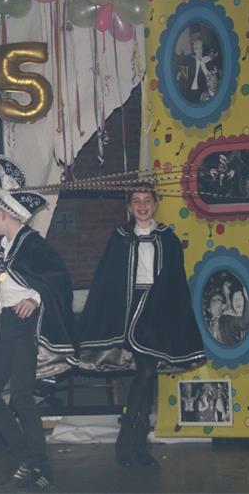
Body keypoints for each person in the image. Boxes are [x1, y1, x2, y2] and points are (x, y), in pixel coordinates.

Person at [0, 155, 76, 491]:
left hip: (27, 327)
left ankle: (38, 466)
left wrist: (35, 299)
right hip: (7, 325)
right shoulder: (6, 249)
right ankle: (28, 459)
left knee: (21, 398)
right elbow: (3, 291)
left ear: (4, 213)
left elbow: (57, 280)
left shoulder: (33, 244)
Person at [74, 182, 205, 467]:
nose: (142, 206)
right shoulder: (119, 237)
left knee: (147, 372)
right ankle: (131, 444)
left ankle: (131, 443)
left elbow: (175, 282)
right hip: (127, 311)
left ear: (156, 204)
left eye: (147, 200)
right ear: (129, 207)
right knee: (144, 374)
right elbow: (107, 278)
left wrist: (176, 316)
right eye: (136, 201)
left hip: (155, 312)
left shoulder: (168, 238)